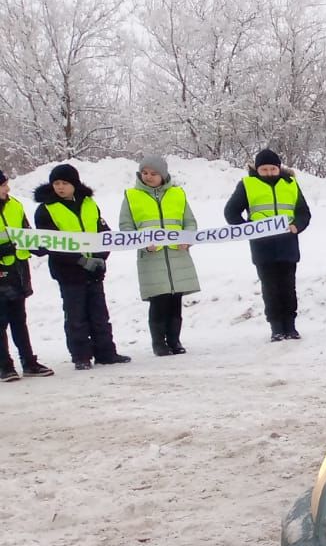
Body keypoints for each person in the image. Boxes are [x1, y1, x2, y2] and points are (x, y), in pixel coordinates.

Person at [32, 163, 130, 370]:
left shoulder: (89, 204)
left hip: (94, 270)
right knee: (76, 316)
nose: (60, 187)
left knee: (99, 314)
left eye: (64, 183)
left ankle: (105, 353)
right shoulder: (46, 209)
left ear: (74, 184)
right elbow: (52, 243)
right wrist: (80, 260)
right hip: (68, 271)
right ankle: (81, 356)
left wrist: (100, 258)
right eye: (56, 183)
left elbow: (104, 232)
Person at [225, 148, 311, 341]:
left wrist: (297, 226)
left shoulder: (290, 184)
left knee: (288, 287)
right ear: (257, 169)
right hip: (262, 247)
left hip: (287, 245)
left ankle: (291, 326)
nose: (269, 173)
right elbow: (231, 212)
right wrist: (249, 228)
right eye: (265, 169)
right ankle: (276, 327)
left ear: (279, 168)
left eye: (273, 169)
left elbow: (304, 213)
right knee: (270, 288)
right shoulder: (247, 185)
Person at [119, 154, 200, 356]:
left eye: (153, 173)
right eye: (144, 173)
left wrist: (187, 238)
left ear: (163, 175)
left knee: (175, 303)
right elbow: (126, 227)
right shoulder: (131, 196)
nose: (148, 177)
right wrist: (144, 244)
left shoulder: (178, 194)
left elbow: (189, 221)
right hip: (152, 259)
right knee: (159, 302)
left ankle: (175, 341)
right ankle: (159, 343)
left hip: (178, 257)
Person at [0, 169, 53, 380]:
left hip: (17, 270)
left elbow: (25, 232)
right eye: (3, 185)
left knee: (19, 319)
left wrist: (39, 246)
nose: (8, 188)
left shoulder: (15, 205)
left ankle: (28, 361)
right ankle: (4, 365)